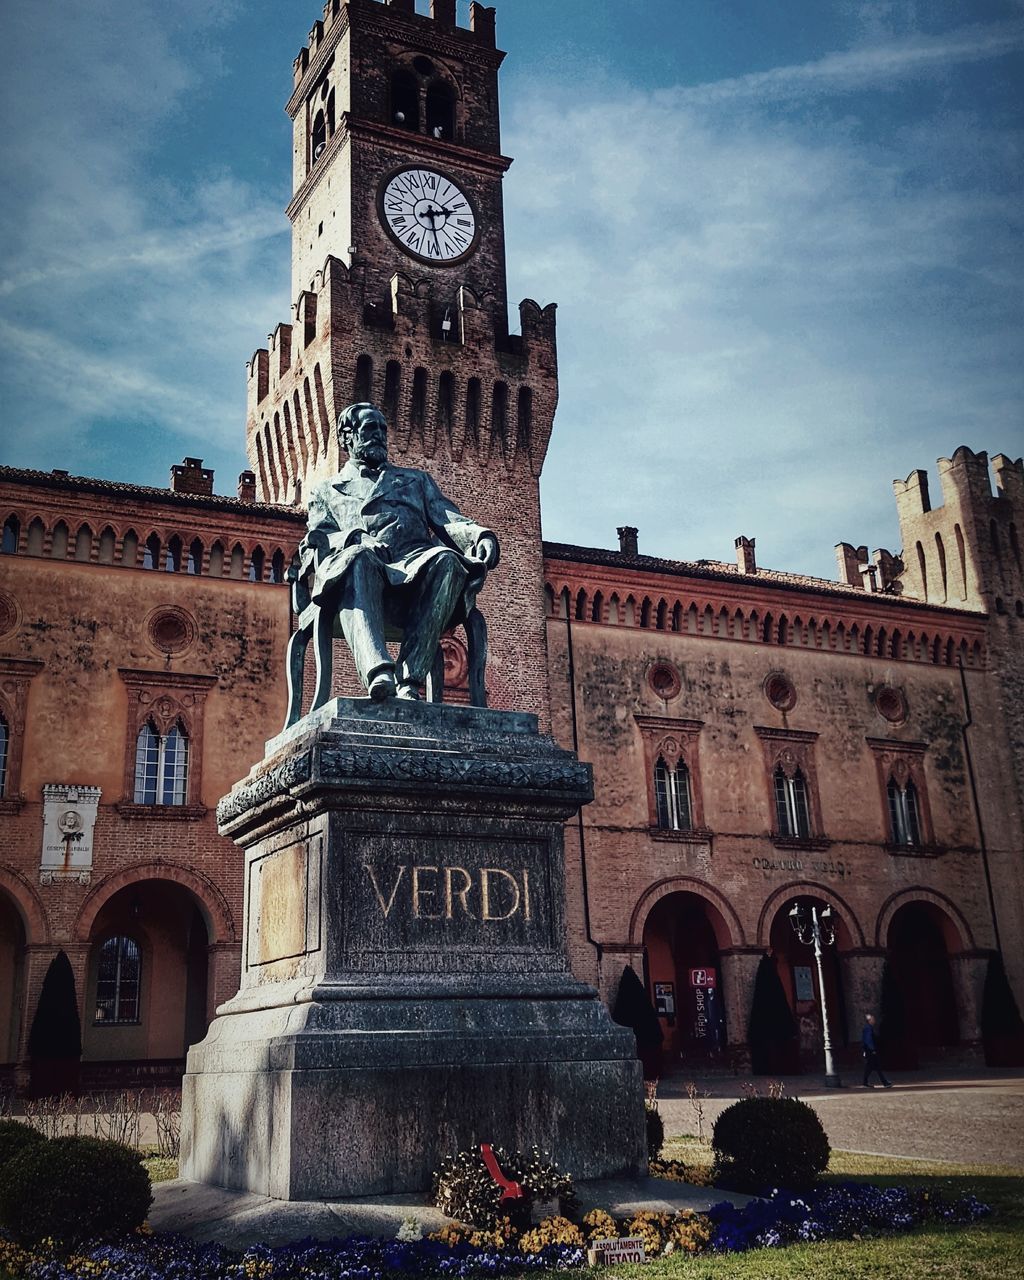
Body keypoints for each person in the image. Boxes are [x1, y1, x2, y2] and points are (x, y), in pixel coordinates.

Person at [299, 402, 499, 701]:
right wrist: (357, 538)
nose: (379, 435)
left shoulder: (415, 481)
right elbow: (318, 536)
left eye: (382, 429)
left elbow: (447, 517)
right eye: (369, 428)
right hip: (358, 572)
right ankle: (379, 673)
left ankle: (409, 680)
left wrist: (480, 536)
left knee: (447, 561)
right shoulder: (326, 490)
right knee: (359, 560)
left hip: (413, 567)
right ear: (346, 437)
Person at [862, 1013, 893, 1088]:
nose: (874, 1021)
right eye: (873, 1019)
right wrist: (872, 1049)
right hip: (870, 1050)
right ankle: (885, 1082)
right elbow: (868, 1040)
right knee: (876, 1067)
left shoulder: (868, 1028)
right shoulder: (868, 1028)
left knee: (870, 1067)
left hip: (869, 1050)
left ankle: (865, 1082)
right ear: (869, 1020)